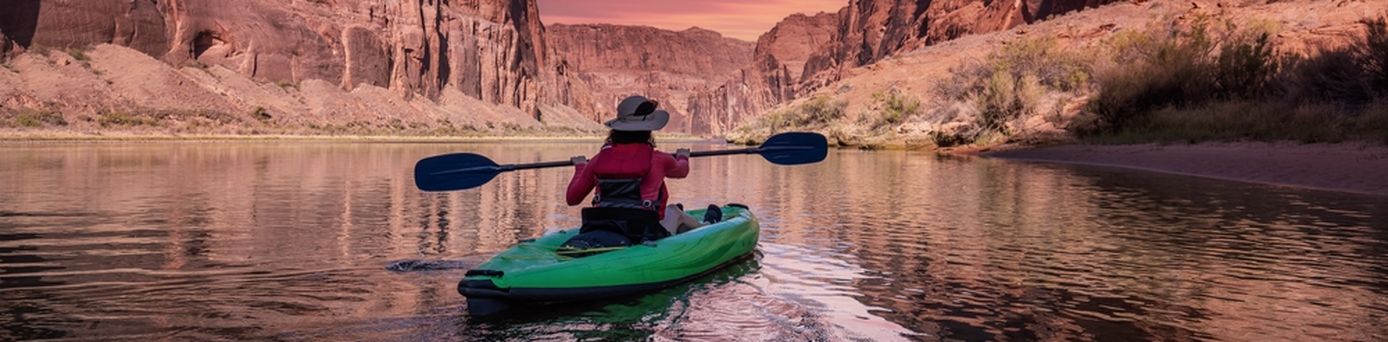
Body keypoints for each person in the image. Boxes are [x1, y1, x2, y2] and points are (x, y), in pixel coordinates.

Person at [563, 96, 714, 248]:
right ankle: (709, 226)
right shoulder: (659, 159)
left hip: (606, 225)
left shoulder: (598, 160)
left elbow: (572, 198)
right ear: (648, 131)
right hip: (643, 234)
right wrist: (683, 156)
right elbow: (682, 171)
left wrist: (581, 167)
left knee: (672, 211)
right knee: (674, 211)